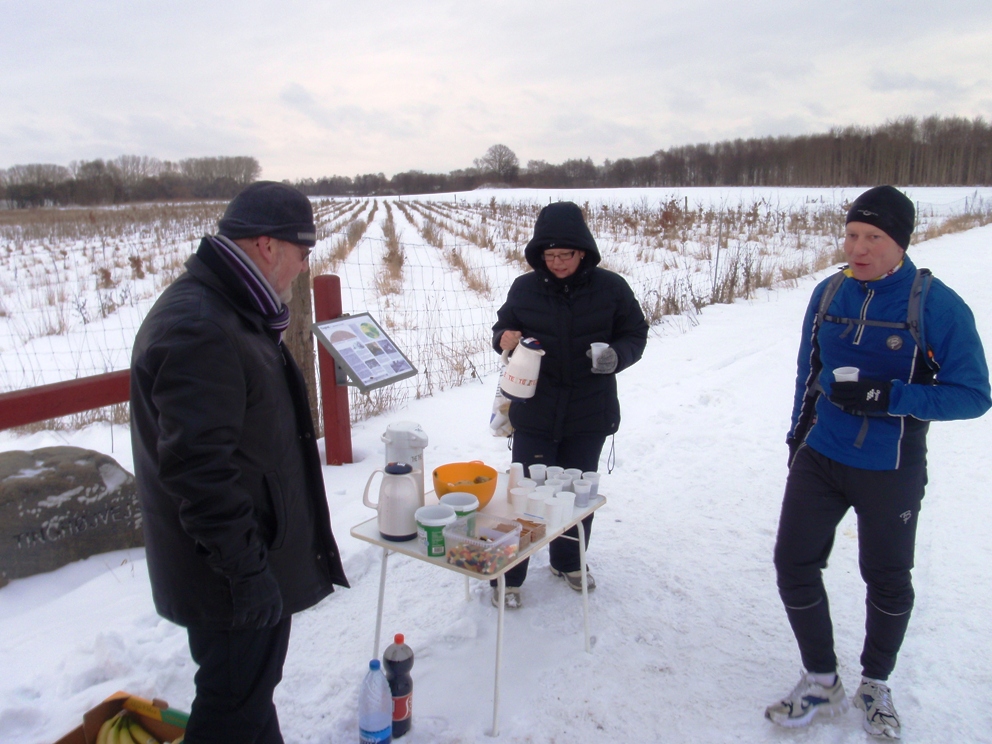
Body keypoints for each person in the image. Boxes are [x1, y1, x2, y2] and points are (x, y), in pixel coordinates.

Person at [765, 186, 990, 739]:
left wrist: (889, 397)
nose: (858, 248)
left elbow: (974, 394)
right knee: (793, 565)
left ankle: (876, 684)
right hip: (821, 455)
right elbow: (808, 372)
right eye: (851, 235)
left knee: (887, 579)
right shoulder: (827, 293)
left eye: (874, 237)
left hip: (891, 466)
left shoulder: (934, 304)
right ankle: (821, 679)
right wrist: (797, 439)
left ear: (900, 243)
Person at [130, 181, 349, 743]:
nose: (303, 270)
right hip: (229, 571)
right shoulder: (201, 325)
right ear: (267, 246)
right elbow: (198, 473)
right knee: (231, 706)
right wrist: (247, 575)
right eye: (303, 255)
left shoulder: (231, 308)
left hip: (248, 554)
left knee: (247, 695)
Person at [490, 201, 648, 609]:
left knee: (576, 496)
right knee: (525, 496)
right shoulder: (525, 288)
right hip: (535, 411)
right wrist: (504, 337)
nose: (558, 263)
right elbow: (501, 327)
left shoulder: (611, 288)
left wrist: (617, 355)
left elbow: (635, 333)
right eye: (550, 255)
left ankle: (568, 561)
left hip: (588, 413)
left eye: (566, 254)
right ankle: (510, 576)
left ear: (584, 252)